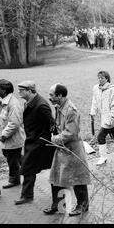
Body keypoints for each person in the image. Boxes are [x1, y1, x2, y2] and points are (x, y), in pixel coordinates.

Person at [44, 84, 91, 216]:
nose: (49, 97)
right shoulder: (59, 107)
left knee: (77, 178)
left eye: (52, 95)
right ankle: (58, 205)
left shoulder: (71, 110)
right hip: (62, 149)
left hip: (72, 149)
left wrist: (54, 139)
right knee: (56, 177)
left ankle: (83, 205)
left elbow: (71, 133)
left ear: (60, 95)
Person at [15, 81, 55, 205]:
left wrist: (44, 140)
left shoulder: (41, 105)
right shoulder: (29, 102)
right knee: (31, 168)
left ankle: (27, 196)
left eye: (21, 90)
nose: (19, 92)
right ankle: (27, 195)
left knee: (28, 167)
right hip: (33, 141)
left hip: (39, 143)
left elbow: (52, 124)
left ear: (30, 90)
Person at [0, 80, 25, 189]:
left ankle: (14, 180)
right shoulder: (0, 100)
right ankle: (29, 169)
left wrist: (3, 136)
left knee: (12, 160)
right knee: (12, 157)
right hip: (5, 138)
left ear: (4, 90)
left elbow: (14, 123)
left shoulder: (13, 104)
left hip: (12, 139)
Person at [90, 71, 114, 166]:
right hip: (103, 117)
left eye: (102, 78)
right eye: (99, 78)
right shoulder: (96, 88)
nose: (100, 79)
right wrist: (93, 112)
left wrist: (111, 118)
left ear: (107, 79)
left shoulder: (113, 90)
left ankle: (103, 157)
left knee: (100, 136)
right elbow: (94, 101)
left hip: (110, 118)